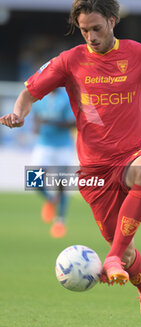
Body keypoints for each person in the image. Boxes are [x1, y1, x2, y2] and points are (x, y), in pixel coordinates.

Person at [0, 0, 141, 327]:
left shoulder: (140, 54)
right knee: (130, 257)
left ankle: (112, 257)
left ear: (112, 20)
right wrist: (19, 114)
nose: (90, 36)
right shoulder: (70, 61)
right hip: (94, 173)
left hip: (135, 153)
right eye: (84, 30)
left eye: (96, 28)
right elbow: (29, 93)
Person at [32, 88, 77, 238]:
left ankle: (60, 222)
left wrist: (50, 122)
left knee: (62, 185)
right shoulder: (40, 97)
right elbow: (36, 115)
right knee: (33, 180)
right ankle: (51, 199)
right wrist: (36, 127)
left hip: (62, 146)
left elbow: (73, 123)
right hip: (43, 144)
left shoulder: (67, 98)